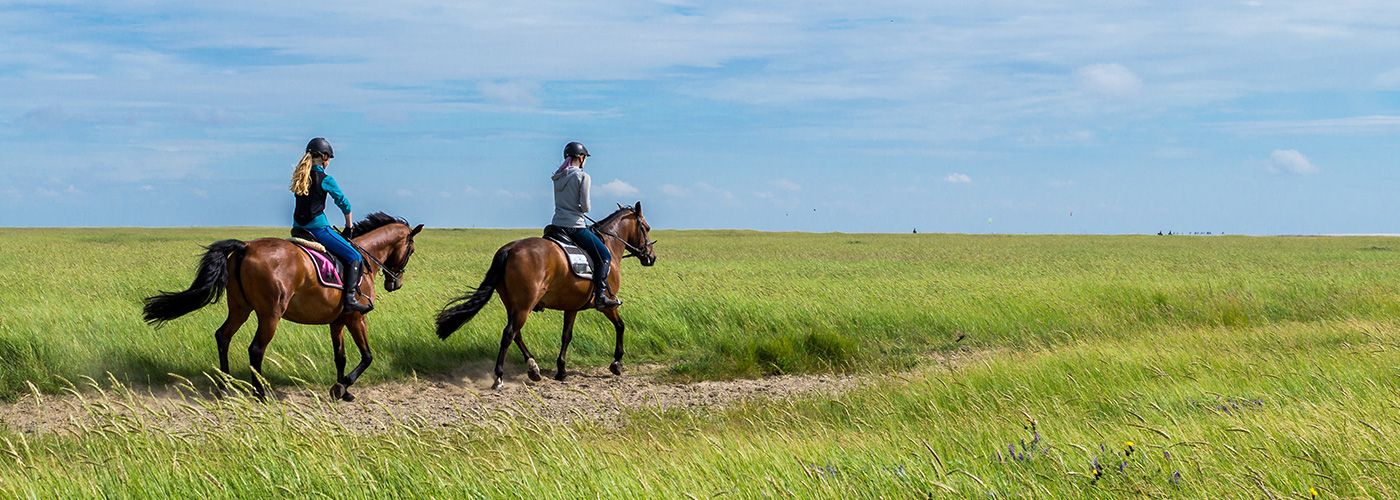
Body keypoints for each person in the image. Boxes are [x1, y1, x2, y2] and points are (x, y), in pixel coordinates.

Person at [290, 137, 372, 313]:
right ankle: (350, 299)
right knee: (354, 256)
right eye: (329, 159)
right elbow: (345, 204)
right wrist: (349, 227)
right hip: (318, 229)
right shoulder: (325, 178)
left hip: (298, 228)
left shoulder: (300, 176)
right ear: (325, 157)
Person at [552, 141, 622, 309]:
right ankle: (600, 297)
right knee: (604, 255)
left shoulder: (558, 176)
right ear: (581, 158)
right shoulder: (583, 177)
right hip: (574, 226)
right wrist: (581, 208)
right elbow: (585, 207)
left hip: (556, 225)